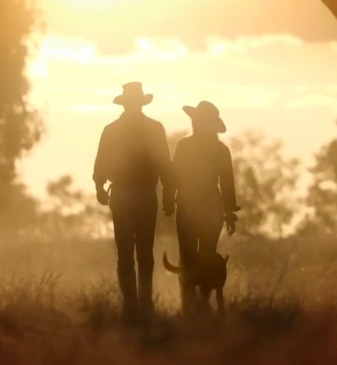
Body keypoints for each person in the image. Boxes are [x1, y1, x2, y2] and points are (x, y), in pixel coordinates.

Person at [93, 81, 173, 324]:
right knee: (144, 252)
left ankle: (131, 306)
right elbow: (165, 166)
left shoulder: (111, 129)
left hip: (124, 195)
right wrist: (169, 196)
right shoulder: (155, 129)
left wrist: (99, 188)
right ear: (138, 103)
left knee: (125, 253)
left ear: (126, 103)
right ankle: (144, 305)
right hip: (145, 195)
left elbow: (100, 163)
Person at [163, 100, 240, 313]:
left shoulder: (185, 145)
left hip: (187, 206)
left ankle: (190, 306)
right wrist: (229, 212)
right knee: (207, 254)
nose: (195, 123)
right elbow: (227, 185)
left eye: (197, 120)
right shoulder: (220, 150)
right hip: (212, 208)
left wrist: (169, 199)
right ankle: (203, 304)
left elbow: (173, 176)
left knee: (188, 256)